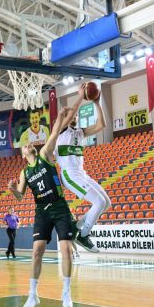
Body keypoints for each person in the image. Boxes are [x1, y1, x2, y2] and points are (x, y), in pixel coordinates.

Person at [8, 106, 76, 307]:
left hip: (59, 207)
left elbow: (55, 132)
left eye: (29, 143)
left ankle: (66, 292)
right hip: (42, 211)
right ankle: (33, 294)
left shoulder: (45, 154)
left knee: (66, 250)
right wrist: (12, 189)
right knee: (37, 251)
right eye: (25, 145)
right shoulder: (24, 172)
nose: (28, 144)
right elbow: (20, 197)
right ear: (23, 154)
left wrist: (61, 116)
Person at [55, 83, 111, 253]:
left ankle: (78, 225)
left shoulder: (80, 132)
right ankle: (83, 235)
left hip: (82, 174)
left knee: (106, 203)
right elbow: (70, 112)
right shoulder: (60, 130)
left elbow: (102, 125)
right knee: (99, 202)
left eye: (76, 115)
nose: (74, 116)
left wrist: (96, 103)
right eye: (71, 115)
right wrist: (80, 95)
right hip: (69, 175)